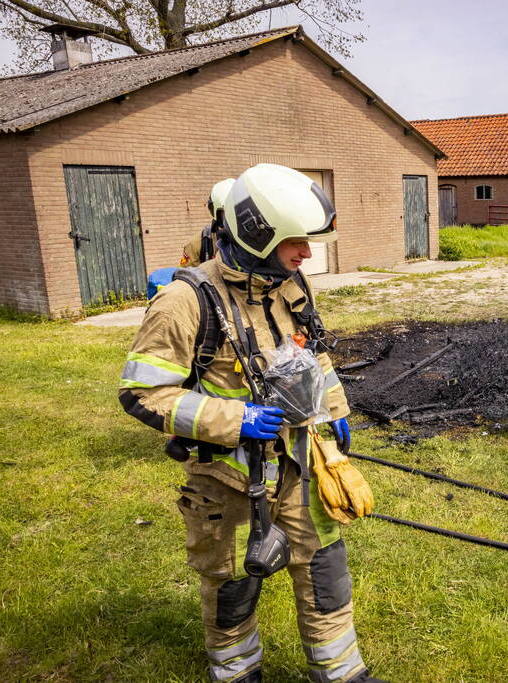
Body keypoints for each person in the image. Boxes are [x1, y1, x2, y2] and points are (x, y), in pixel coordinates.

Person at [119, 164, 381, 683]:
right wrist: (237, 418)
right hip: (224, 477)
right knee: (230, 584)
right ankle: (238, 673)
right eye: (296, 242)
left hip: (298, 462)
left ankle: (341, 674)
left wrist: (335, 408)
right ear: (258, 235)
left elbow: (312, 353)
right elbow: (141, 393)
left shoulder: (288, 283)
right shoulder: (184, 302)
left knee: (324, 565)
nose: (307, 253)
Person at [181, 177, 235, 267]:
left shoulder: (255, 240)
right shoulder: (196, 245)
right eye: (229, 212)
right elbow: (187, 277)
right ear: (217, 213)